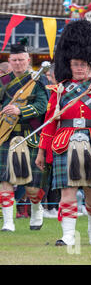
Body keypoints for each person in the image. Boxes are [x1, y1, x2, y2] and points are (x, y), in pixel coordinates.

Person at [35, 19, 91, 246]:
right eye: (75, 64)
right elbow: (49, 124)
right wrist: (41, 152)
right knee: (67, 190)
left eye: (83, 64)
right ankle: (67, 236)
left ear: (89, 64)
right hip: (64, 142)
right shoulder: (60, 90)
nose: (79, 68)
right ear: (70, 64)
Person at [0, 39, 49, 232]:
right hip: (5, 135)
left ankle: (37, 209)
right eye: (14, 60)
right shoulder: (3, 81)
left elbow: (42, 106)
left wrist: (21, 111)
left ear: (28, 60)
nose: (18, 63)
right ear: (9, 60)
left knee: (32, 187)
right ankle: (8, 222)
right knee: (4, 180)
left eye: (21, 60)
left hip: (30, 135)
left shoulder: (38, 81)